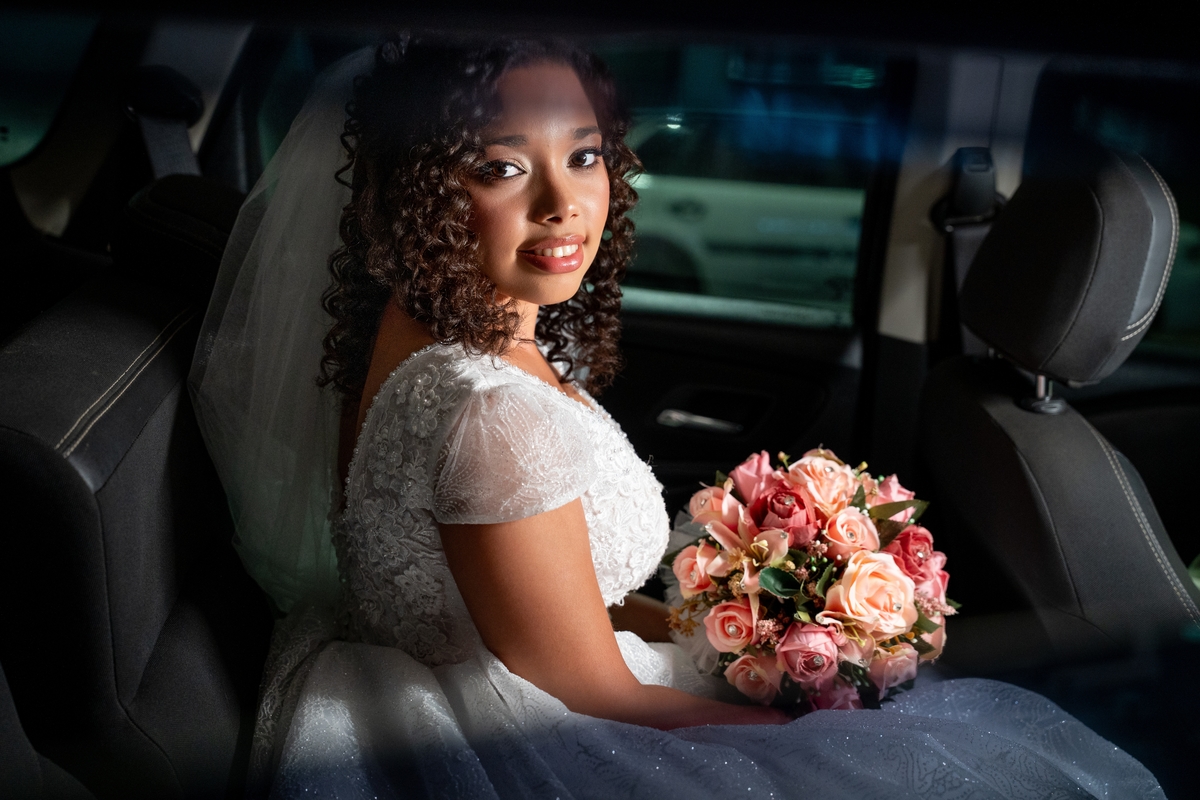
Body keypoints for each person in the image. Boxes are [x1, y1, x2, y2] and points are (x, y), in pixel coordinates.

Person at [191, 34, 1164, 799]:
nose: (564, 203)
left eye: (583, 154)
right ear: (421, 192)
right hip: (536, 723)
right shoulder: (489, 417)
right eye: (501, 167)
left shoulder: (432, 331)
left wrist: (757, 642)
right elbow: (591, 692)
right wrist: (798, 724)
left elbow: (551, 596)